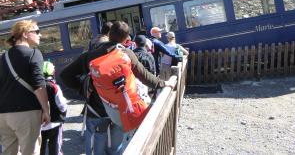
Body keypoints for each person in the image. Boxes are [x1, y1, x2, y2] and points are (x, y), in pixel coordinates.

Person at [60, 21, 174, 155]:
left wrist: (83, 89)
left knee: (95, 145)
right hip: (121, 109)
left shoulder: (90, 56)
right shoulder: (127, 54)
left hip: (96, 109)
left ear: (109, 35)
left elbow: (65, 76)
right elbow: (144, 76)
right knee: (117, 148)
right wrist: (163, 83)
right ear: (126, 39)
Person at [0, 20, 51, 155]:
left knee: (9, 152)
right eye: (37, 32)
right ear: (25, 34)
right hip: (26, 113)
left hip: (3, 115)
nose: (40, 35)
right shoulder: (34, 54)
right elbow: (39, 85)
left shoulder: (3, 57)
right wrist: (46, 110)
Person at [40, 61, 67, 155]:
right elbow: (62, 105)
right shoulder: (54, 87)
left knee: (40, 148)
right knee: (55, 148)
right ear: (52, 72)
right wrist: (63, 114)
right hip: (54, 123)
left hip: (39, 125)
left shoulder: (34, 87)